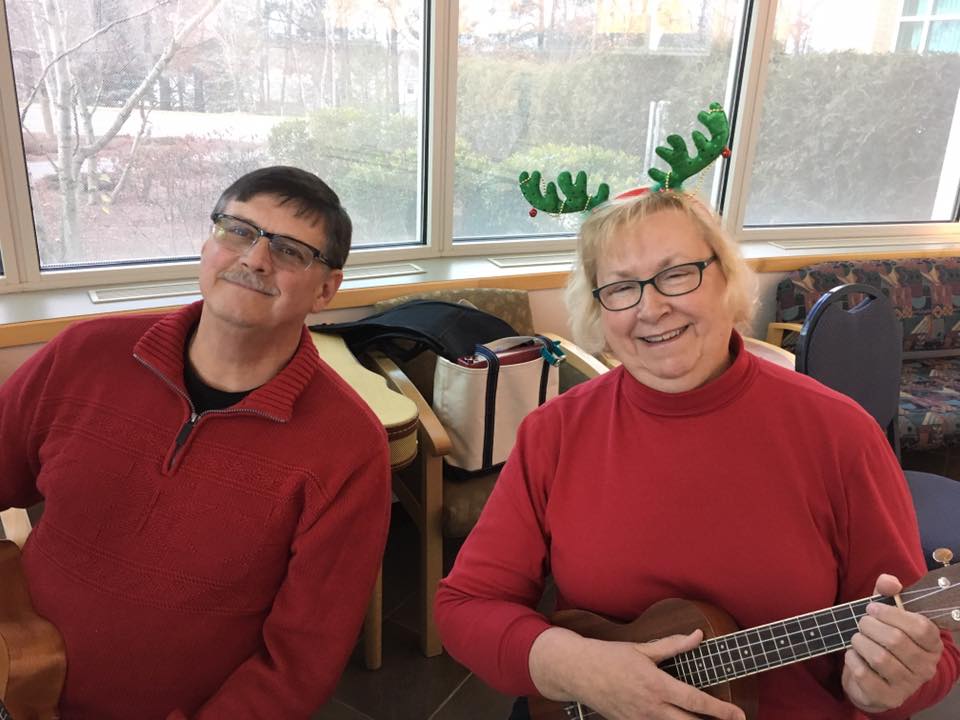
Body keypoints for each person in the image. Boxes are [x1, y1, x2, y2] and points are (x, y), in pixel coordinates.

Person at [434, 189, 960, 720]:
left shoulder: (841, 435)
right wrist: (577, 668)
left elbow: (929, 650)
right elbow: (466, 606)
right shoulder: (555, 432)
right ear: (599, 308)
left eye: (677, 273)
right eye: (621, 287)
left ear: (725, 278)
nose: (651, 308)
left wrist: (891, 686)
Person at [0, 166, 392, 719]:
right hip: (14, 674)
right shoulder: (82, 355)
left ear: (326, 290)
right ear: (208, 244)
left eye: (290, 251)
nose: (256, 259)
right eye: (239, 230)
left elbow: (300, 660)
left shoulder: (349, 448)